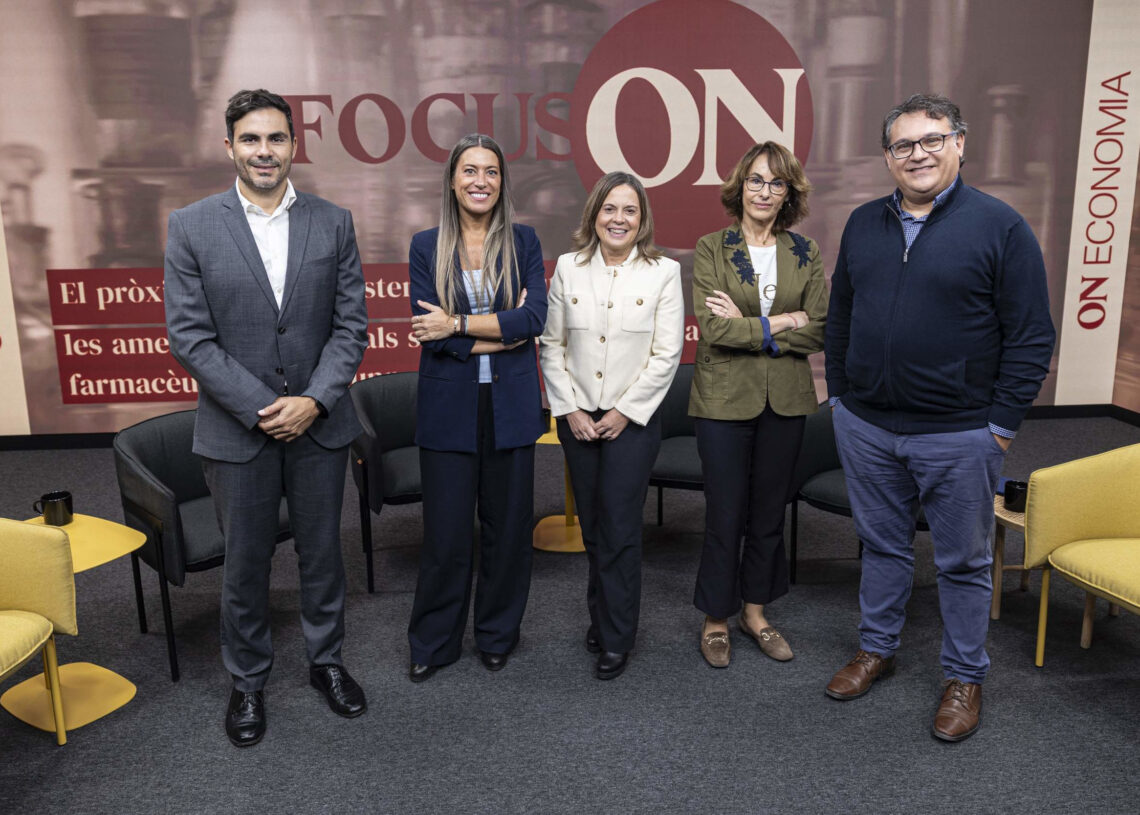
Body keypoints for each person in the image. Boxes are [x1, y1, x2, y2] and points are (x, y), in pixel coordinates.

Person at [824, 93, 1055, 742]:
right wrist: (841, 396)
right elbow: (841, 313)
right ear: (888, 156)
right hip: (867, 425)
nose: (917, 154)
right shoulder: (863, 223)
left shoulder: (1001, 226)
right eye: (902, 145)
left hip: (960, 434)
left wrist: (1000, 425)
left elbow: (1033, 335)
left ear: (959, 142)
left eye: (932, 139)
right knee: (882, 544)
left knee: (961, 561)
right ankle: (877, 648)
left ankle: (964, 677)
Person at [164, 89, 369, 747]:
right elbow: (190, 338)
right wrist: (261, 408)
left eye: (275, 138)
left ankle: (326, 661)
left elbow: (351, 326)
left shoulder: (333, 222)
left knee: (321, 555)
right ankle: (247, 680)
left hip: (320, 425)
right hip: (235, 432)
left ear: (293, 145)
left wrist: (314, 399)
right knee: (245, 564)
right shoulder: (191, 225)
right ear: (229, 147)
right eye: (250, 139)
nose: (264, 151)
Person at [406, 134, 547, 682]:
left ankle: (496, 634)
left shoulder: (525, 242)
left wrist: (459, 323)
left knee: (508, 530)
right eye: (470, 171)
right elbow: (429, 334)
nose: (480, 181)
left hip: (510, 405)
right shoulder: (425, 245)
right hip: (448, 408)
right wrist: (500, 333)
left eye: (491, 171)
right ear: (452, 180)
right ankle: (434, 642)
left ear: (502, 182)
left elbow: (532, 321)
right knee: (445, 535)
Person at [539, 172, 684, 680]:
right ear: (594, 215)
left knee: (620, 528)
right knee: (595, 531)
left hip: (633, 422)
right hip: (577, 418)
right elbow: (551, 345)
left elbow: (667, 354)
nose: (618, 219)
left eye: (630, 211)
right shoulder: (567, 269)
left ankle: (617, 635)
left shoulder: (662, 272)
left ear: (641, 220)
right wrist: (570, 410)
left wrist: (624, 412)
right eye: (609, 209)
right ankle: (602, 616)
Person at [688, 142, 827, 669]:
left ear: (788, 192)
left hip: (786, 401)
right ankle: (716, 618)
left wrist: (764, 328)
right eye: (755, 180)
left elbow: (819, 329)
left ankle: (755, 612)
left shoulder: (805, 253)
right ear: (739, 186)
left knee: (769, 514)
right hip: (723, 400)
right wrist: (781, 322)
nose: (764, 191)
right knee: (725, 513)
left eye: (776, 183)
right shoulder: (711, 249)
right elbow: (715, 329)